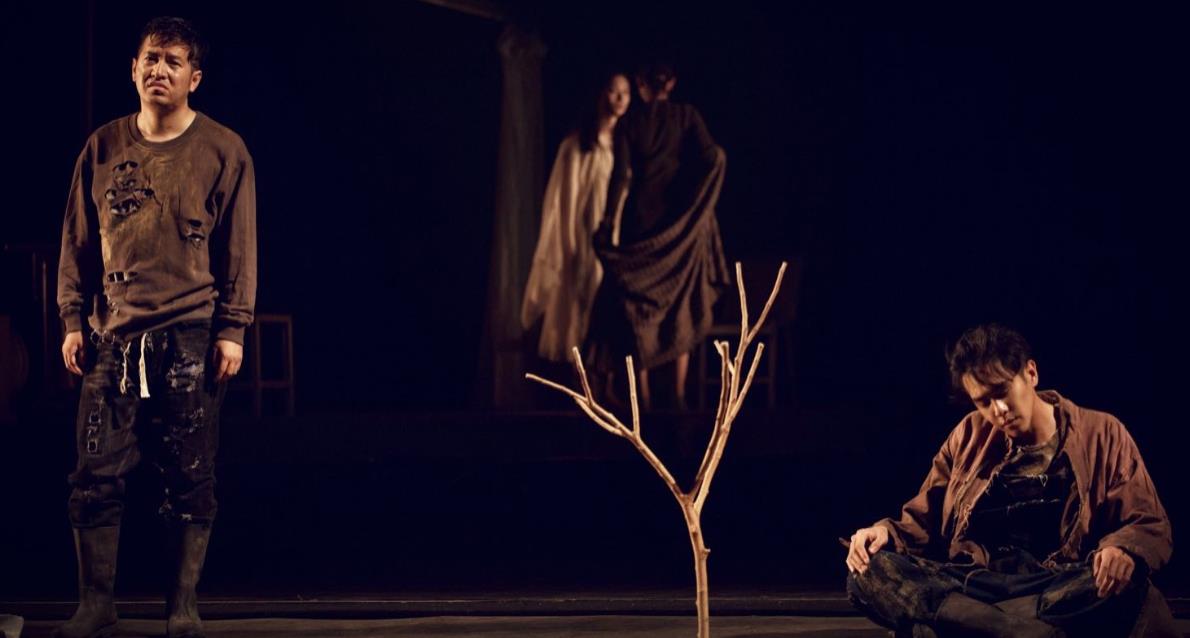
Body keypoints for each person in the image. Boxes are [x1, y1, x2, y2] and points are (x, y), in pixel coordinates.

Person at [56, 16, 256, 638]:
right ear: (134, 69)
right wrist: (71, 319)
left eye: (173, 61)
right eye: (150, 58)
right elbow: (76, 241)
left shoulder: (224, 149)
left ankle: (182, 606)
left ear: (194, 78)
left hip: (191, 332)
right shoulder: (102, 147)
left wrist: (233, 328)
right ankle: (96, 604)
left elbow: (240, 247)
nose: (158, 70)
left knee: (190, 473)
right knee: (95, 473)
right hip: (112, 333)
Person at [844, 324, 1175, 637]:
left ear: (1031, 373)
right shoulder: (968, 434)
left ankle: (968, 627)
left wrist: (1122, 549)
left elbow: (1147, 520)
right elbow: (922, 517)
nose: (998, 409)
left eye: (1002, 391)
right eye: (983, 401)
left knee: (1130, 588)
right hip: (974, 584)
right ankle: (1014, 630)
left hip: (1055, 585)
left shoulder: (1102, 432)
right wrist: (883, 532)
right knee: (867, 570)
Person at [592, 62, 729, 409]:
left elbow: (620, 177)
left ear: (641, 84)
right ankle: (678, 394)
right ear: (672, 83)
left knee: (639, 309)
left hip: (641, 223)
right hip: (676, 223)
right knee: (680, 303)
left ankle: (646, 397)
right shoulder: (686, 116)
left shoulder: (630, 123)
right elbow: (712, 156)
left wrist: (607, 223)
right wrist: (697, 199)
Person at [521, 72, 630, 362]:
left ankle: (599, 369)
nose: (620, 98)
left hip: (613, 236)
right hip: (583, 235)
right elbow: (565, 200)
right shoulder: (577, 146)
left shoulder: (623, 145)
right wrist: (568, 242)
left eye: (626, 92)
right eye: (614, 90)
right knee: (579, 300)